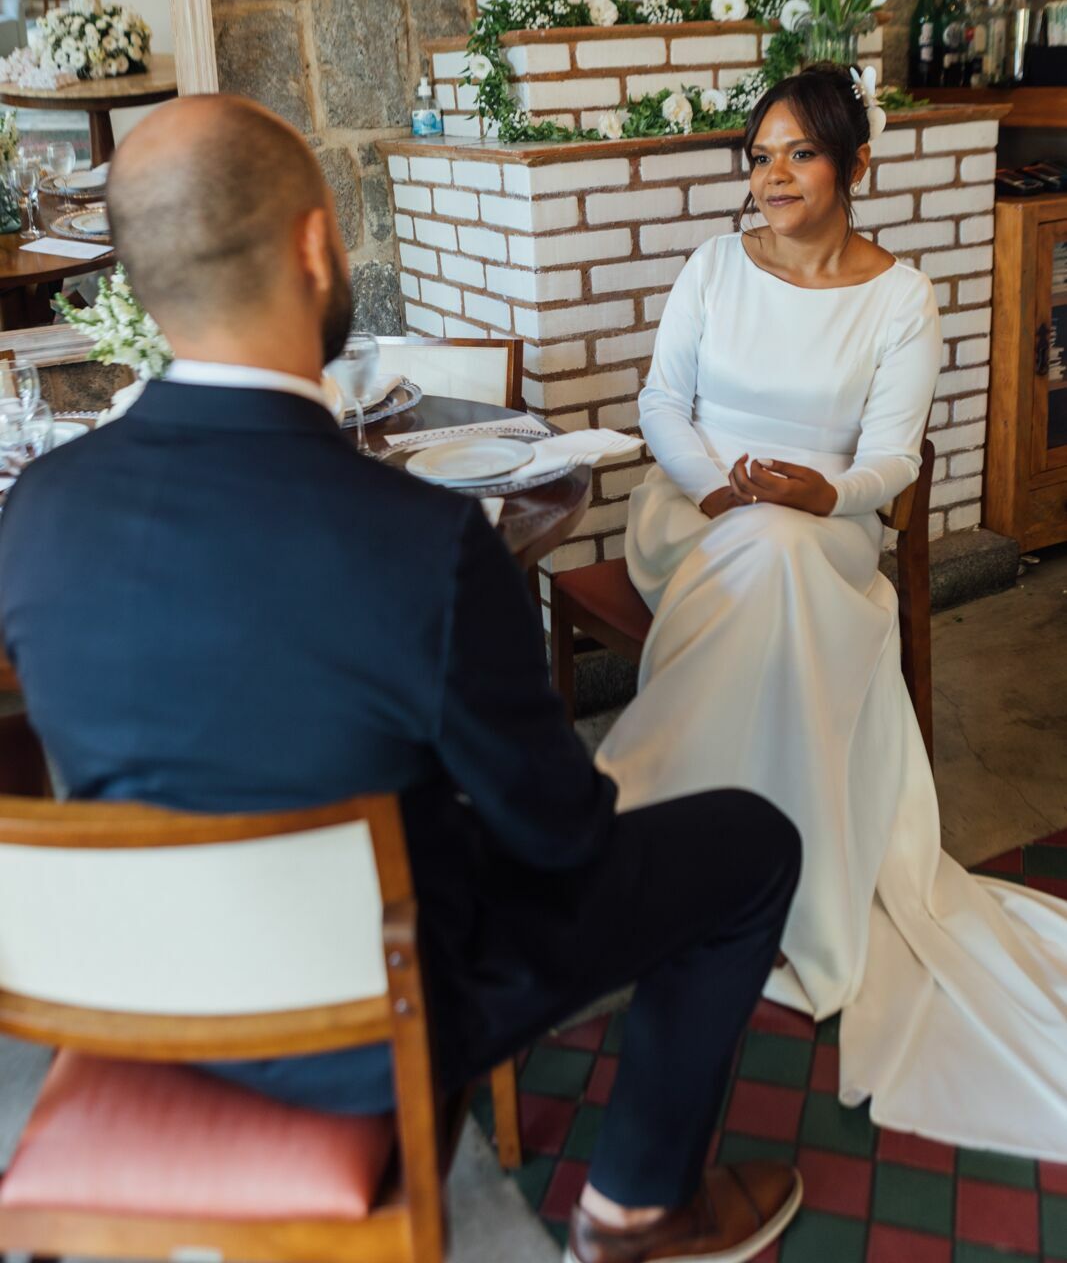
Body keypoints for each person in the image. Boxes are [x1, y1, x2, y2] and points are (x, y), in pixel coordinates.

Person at [0, 95, 804, 1263]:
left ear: (144, 281)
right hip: (363, 1028)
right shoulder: (424, 543)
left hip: (134, 995)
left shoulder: (39, 510)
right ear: (318, 247)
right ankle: (633, 1210)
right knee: (747, 843)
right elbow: (560, 836)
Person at [597, 62, 1067, 1160]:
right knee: (756, 548)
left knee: (784, 552)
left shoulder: (899, 297)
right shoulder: (713, 265)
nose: (770, 175)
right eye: (757, 155)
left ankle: (654, 835)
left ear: (856, 162)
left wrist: (826, 492)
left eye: (797, 152)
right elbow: (662, 401)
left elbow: (893, 458)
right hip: (693, 503)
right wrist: (717, 487)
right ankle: (729, 854)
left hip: (828, 520)